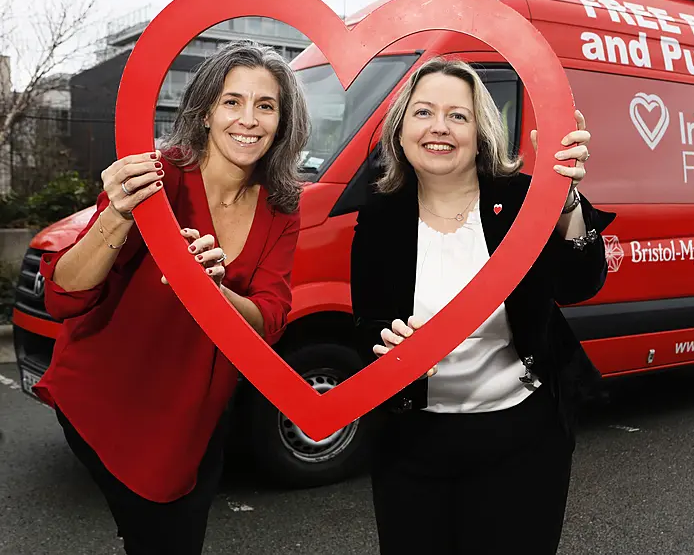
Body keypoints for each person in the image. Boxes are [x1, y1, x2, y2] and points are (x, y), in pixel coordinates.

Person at [33, 40, 311, 555]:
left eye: (265, 105)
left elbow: (269, 319)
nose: (248, 119)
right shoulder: (156, 176)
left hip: (193, 419)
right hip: (104, 401)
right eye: (232, 101)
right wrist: (117, 213)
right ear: (206, 112)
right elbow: (64, 295)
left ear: (282, 121)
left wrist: (215, 290)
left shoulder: (282, 206)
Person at [350, 56, 616, 554]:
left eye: (458, 115)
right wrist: (385, 346)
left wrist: (567, 202)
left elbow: (580, 282)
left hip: (521, 439)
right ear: (401, 128)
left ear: (481, 132)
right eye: (424, 112)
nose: (439, 128)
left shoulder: (520, 199)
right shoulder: (380, 215)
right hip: (411, 445)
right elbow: (366, 321)